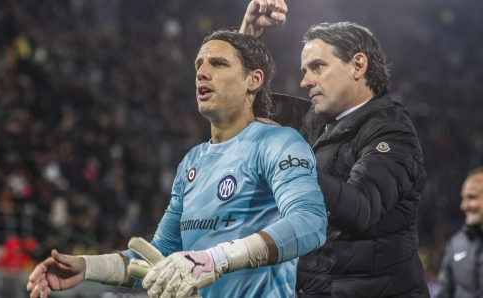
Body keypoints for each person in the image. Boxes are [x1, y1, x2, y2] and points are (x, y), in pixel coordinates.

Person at [26, 30, 327, 298]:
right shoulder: (192, 162)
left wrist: (217, 259)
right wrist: (86, 266)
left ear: (254, 79)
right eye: (199, 65)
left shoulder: (279, 142)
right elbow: (160, 255)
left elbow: (310, 223)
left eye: (218, 64)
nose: (202, 73)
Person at [240, 1, 430, 297]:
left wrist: (292, 158)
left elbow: (360, 210)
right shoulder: (312, 120)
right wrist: (249, 35)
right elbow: (237, 106)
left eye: (317, 66)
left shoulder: (393, 129)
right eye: (305, 70)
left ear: (358, 65)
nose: (305, 81)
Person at [435, 167, 483, 298]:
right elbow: (444, 293)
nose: (464, 206)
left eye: (472, 197)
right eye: (463, 198)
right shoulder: (457, 244)